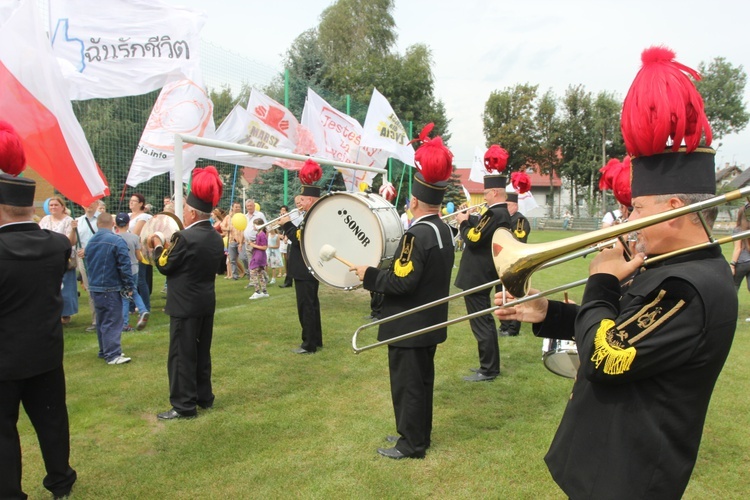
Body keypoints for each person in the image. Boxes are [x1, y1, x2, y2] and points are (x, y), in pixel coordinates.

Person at [494, 46, 736, 499]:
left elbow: (607, 355)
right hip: (607, 462)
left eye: (637, 210)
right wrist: (545, 312)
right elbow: (626, 327)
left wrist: (601, 279)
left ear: (675, 209)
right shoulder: (672, 268)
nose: (627, 223)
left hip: (628, 478)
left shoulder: (691, 287)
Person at [352, 125, 454, 459]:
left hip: (409, 325)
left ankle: (411, 444)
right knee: (422, 385)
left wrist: (369, 276)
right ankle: (417, 434)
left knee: (408, 386)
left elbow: (401, 282)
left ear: (413, 199)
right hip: (430, 322)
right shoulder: (443, 230)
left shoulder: (416, 235)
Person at [0, 126, 78, 500]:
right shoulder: (56, 244)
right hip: (46, 351)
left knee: (3, 431)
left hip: (4, 359)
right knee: (52, 422)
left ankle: (10, 491)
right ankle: (61, 483)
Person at [152, 166, 225, 420]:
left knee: (181, 356)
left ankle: (183, 405)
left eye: (184, 208)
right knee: (202, 352)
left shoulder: (184, 238)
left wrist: (158, 244)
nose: (183, 212)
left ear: (192, 212)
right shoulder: (215, 237)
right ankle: (204, 397)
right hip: (206, 302)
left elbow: (164, 265)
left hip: (184, 305)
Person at [453, 145, 512, 381]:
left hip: (479, 274)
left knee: (481, 322)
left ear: (495, 193)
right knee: (481, 321)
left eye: (486, 194)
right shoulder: (497, 213)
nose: (484, 197)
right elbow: (483, 230)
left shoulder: (495, 214)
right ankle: (487, 366)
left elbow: (474, 238)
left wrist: (464, 223)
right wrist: (471, 218)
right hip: (481, 273)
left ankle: (488, 369)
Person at [280, 161, 323, 354]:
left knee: (306, 307)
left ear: (311, 200)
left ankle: (309, 344)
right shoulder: (313, 213)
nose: (300, 203)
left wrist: (287, 225)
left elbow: (299, 239)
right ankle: (316, 339)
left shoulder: (313, 215)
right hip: (310, 267)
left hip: (304, 268)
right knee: (312, 305)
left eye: (303, 199)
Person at [85, 212, 136, 365]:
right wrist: (129, 285)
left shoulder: (90, 241)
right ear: (112, 224)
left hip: (95, 286)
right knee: (113, 320)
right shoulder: (116, 240)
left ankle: (104, 350)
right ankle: (113, 355)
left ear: (97, 224)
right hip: (110, 286)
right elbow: (125, 265)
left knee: (102, 320)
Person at [499, 174, 532, 337]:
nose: (505, 207)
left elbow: (519, 238)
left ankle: (513, 328)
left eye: (507, 205)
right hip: (502, 262)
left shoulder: (520, 220)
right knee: (502, 294)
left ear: (514, 206)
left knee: (513, 295)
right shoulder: (504, 218)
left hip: (516, 264)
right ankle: (504, 324)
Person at [39, 195, 79, 325]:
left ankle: (65, 314)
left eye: (56, 205)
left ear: (62, 207)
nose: (53, 207)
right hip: (47, 257)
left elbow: (71, 241)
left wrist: (73, 230)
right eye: (51, 205)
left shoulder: (69, 220)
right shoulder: (45, 220)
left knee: (66, 288)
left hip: (64, 258)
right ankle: (51, 313)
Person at [114, 213, 150, 332]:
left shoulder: (114, 238)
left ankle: (124, 323)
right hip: (134, 269)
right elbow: (139, 257)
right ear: (128, 223)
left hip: (120, 270)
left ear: (116, 224)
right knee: (133, 291)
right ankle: (143, 309)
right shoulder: (134, 237)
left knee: (124, 296)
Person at [76, 199, 102, 332]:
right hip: (83, 259)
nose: (89, 205)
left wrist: (88, 249)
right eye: (86, 202)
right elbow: (74, 241)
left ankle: (108, 317)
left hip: (100, 258)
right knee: (90, 289)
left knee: (103, 287)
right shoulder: (78, 221)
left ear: (97, 204)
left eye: (92, 202)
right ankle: (96, 320)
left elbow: (105, 239)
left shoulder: (103, 220)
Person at [129, 192, 153, 312]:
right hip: (127, 250)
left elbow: (135, 234)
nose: (131, 202)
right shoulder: (128, 215)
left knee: (140, 279)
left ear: (141, 203)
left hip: (139, 250)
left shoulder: (143, 217)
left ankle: (145, 306)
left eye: (134, 200)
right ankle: (131, 306)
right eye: (130, 200)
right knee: (130, 279)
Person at [730, 204, 750, 305]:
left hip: (742, 263)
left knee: (734, 286)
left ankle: (730, 310)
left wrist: (732, 264)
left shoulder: (738, 230)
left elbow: (737, 249)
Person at [248, 218, 269, 299]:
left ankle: (257, 291)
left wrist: (254, 245)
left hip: (259, 256)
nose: (253, 226)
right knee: (260, 274)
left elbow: (264, 247)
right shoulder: (259, 234)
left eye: (254, 224)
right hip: (258, 254)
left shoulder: (262, 234)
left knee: (253, 272)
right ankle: (264, 291)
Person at [278, 203, 295, 288]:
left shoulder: (292, 215)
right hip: (289, 242)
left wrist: (286, 236)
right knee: (288, 261)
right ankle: (288, 281)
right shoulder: (293, 213)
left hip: (294, 240)